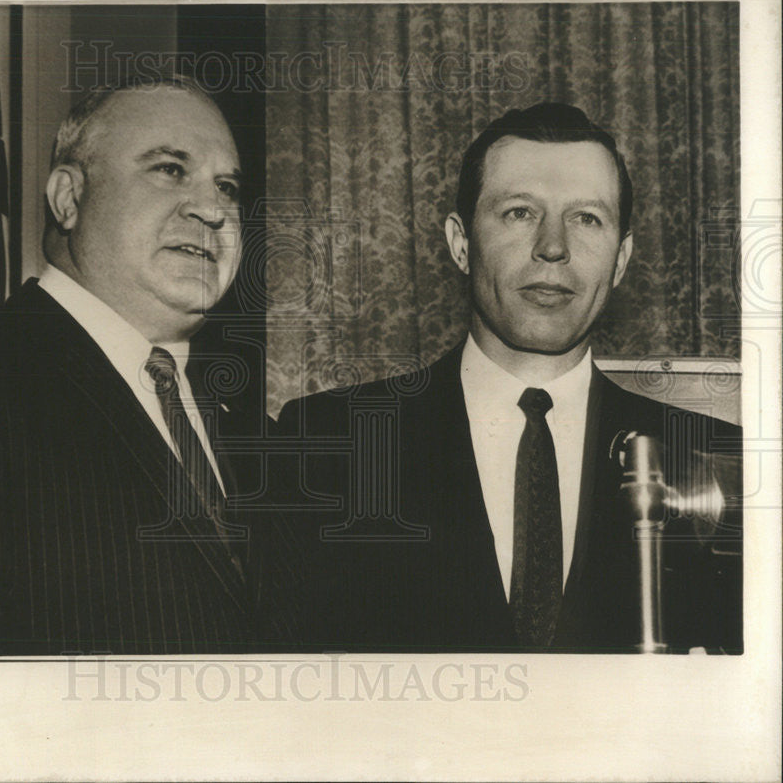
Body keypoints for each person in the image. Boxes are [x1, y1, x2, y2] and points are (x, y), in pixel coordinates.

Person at [274, 102, 742, 653]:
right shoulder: (330, 444)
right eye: (520, 212)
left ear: (621, 259)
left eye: (587, 218)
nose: (553, 246)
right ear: (461, 242)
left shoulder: (711, 461)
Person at [0, 78, 295, 655]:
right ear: (68, 198)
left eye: (227, 187)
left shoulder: (259, 433)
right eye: (169, 170)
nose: (212, 209)